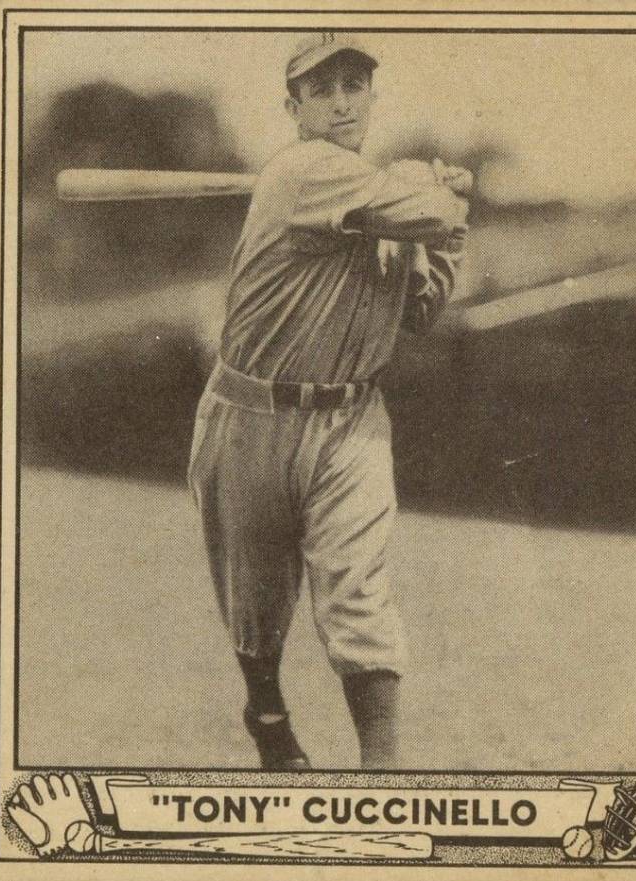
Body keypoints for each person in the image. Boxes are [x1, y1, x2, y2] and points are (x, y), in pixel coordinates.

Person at [188, 32, 470, 770]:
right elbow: (433, 210)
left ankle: (382, 776)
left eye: (355, 85)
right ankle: (268, 711)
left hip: (350, 422)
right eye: (323, 90)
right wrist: (435, 189)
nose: (343, 102)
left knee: (358, 593)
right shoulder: (301, 173)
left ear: (372, 95)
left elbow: (421, 307)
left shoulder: (382, 201)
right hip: (251, 413)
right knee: (255, 604)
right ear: (295, 108)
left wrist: (441, 222)